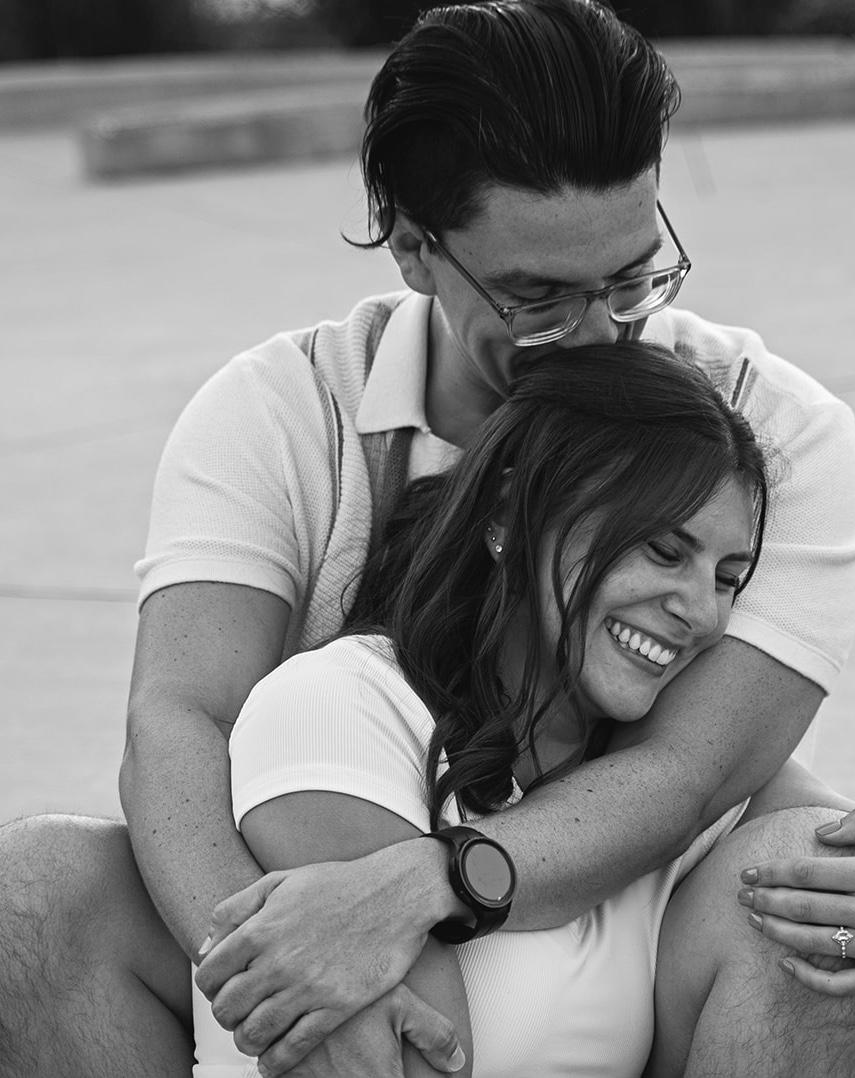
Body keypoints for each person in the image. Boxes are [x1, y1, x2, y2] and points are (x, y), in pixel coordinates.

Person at [0, 0, 855, 1078]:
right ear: (413, 246)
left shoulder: (774, 432)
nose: (601, 335)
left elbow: (690, 772)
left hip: (628, 959)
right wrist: (287, 979)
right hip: (321, 879)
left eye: (632, 277)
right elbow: (181, 717)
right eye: (538, 298)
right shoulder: (281, 414)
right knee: (35, 891)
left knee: (805, 899)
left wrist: (420, 884)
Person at [194, 340, 774, 1077]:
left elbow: (852, 853)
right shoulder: (338, 707)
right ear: (511, 517)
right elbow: (414, 1064)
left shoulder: (651, 771)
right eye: (663, 551)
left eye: (727, 578)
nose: (701, 613)